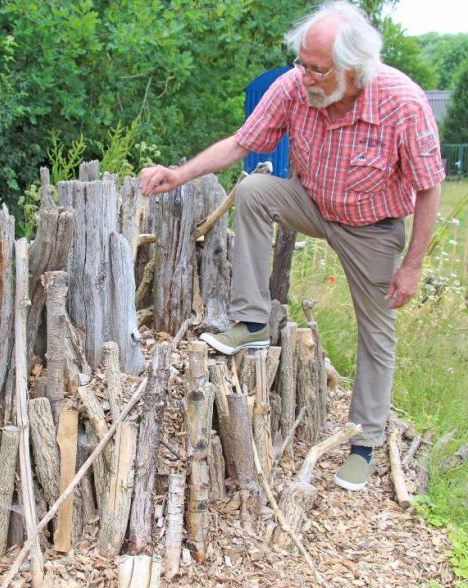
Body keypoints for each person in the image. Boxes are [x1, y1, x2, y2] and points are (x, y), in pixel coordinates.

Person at [139, 0, 444, 492]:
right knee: (256, 189)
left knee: (377, 332)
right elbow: (241, 143)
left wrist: (412, 266)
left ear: (352, 68)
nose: (304, 75)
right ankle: (252, 321)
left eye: (316, 68)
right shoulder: (294, 86)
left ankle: (364, 443)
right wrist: (178, 175)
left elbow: (429, 186)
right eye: (301, 62)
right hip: (315, 202)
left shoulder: (401, 102)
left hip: (372, 227)